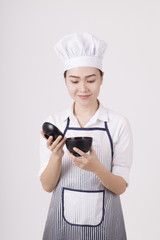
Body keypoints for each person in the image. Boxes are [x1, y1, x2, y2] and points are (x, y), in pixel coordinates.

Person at [39, 32, 133, 240]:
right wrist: (56, 155)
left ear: (101, 79)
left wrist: (97, 168)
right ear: (65, 80)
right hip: (61, 227)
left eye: (90, 80)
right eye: (74, 81)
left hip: (106, 227)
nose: (82, 88)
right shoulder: (56, 123)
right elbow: (47, 186)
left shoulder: (117, 124)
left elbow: (120, 187)